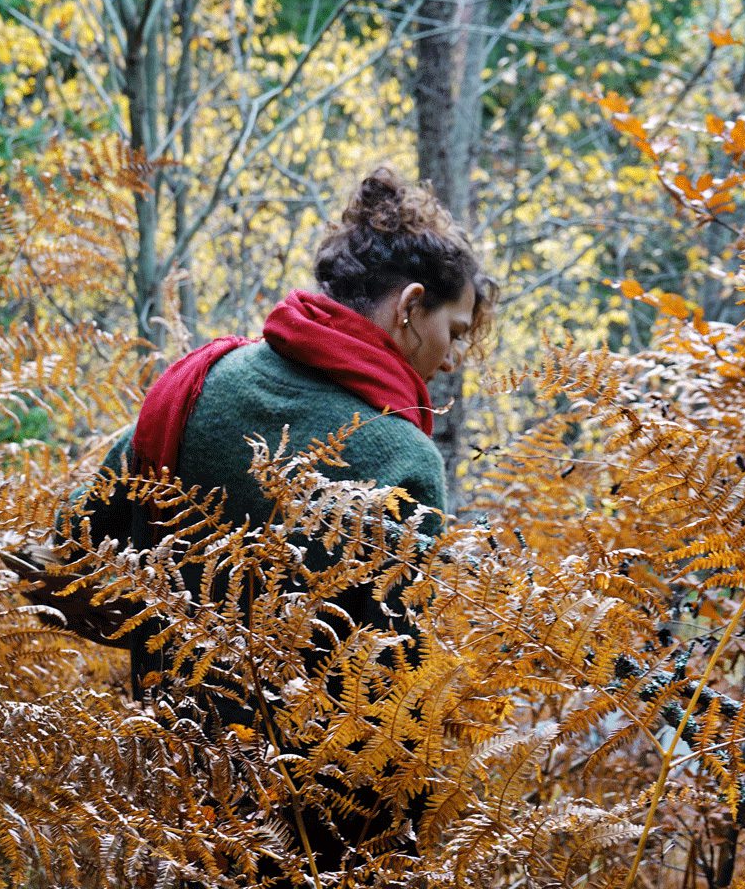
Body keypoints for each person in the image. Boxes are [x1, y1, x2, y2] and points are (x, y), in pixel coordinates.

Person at [66, 166, 494, 867]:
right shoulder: (400, 458)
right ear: (410, 306)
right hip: (314, 840)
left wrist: (157, 642)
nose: (451, 361)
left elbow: (69, 547)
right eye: (455, 329)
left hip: (169, 806)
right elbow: (396, 711)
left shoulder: (199, 383)